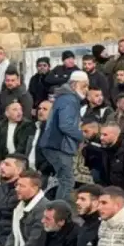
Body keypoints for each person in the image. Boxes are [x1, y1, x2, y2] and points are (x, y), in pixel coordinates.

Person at [38, 70, 88, 200]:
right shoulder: (69, 100)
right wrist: (82, 136)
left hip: (54, 145)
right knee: (67, 181)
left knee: (64, 180)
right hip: (59, 146)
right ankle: (59, 212)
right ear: (75, 84)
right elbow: (65, 125)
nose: (86, 90)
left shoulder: (64, 98)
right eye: (84, 86)